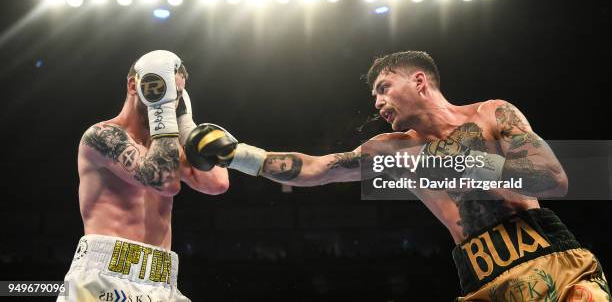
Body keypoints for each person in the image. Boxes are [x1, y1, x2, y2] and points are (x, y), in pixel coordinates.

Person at [183, 51, 611, 301]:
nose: (377, 102)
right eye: (374, 95)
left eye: (384, 88)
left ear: (420, 81)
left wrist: (464, 163)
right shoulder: (396, 152)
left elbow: (554, 180)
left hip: (552, 260)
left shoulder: (493, 114)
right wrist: (239, 154)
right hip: (483, 280)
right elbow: (318, 170)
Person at [58, 50, 229, 302]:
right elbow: (164, 182)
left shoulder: (168, 146)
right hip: (105, 276)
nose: (170, 100)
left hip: (161, 277)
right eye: (164, 89)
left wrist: (187, 126)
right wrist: (163, 113)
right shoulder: (101, 136)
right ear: (133, 85)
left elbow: (217, 183)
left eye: (177, 94)